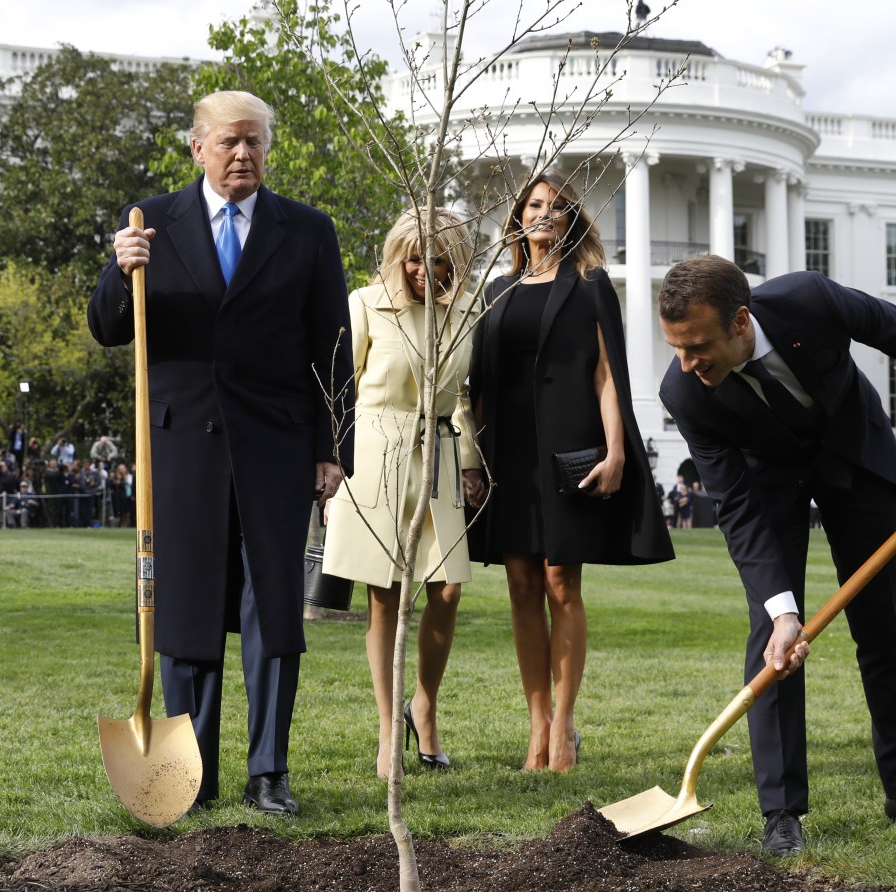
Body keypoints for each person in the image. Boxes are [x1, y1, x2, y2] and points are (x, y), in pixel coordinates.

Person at [657, 254, 896, 856]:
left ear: (740, 321)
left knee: (882, 627)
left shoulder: (809, 301)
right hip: (770, 483)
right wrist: (783, 610)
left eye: (698, 346)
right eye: (677, 348)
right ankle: (781, 813)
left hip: (852, 452)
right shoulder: (685, 393)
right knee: (774, 641)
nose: (688, 363)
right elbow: (736, 506)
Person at [87, 89, 354, 815]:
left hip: (278, 446)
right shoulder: (150, 223)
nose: (243, 154)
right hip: (180, 447)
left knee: (275, 607)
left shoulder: (307, 231)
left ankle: (269, 772)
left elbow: (332, 348)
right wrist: (119, 269)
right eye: (229, 141)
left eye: (254, 141)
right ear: (197, 147)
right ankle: (190, 773)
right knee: (187, 606)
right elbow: (108, 328)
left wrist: (333, 447)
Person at [468, 172, 674, 772]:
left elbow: (608, 374)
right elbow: (478, 379)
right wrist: (471, 458)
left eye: (557, 206)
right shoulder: (497, 289)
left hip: (568, 446)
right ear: (518, 217)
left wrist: (617, 451)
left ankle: (563, 727)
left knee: (561, 583)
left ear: (571, 220)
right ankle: (536, 726)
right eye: (535, 204)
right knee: (521, 585)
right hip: (508, 451)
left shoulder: (589, 284)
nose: (545, 214)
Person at [322, 209, 483, 778]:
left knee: (447, 590)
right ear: (397, 257)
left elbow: (463, 396)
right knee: (385, 598)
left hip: (440, 455)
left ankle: (425, 708)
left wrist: (469, 461)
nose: (423, 270)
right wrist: (331, 467)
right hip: (375, 456)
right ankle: (390, 729)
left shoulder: (468, 310)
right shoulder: (365, 304)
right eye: (414, 258)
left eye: (437, 260)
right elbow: (339, 392)